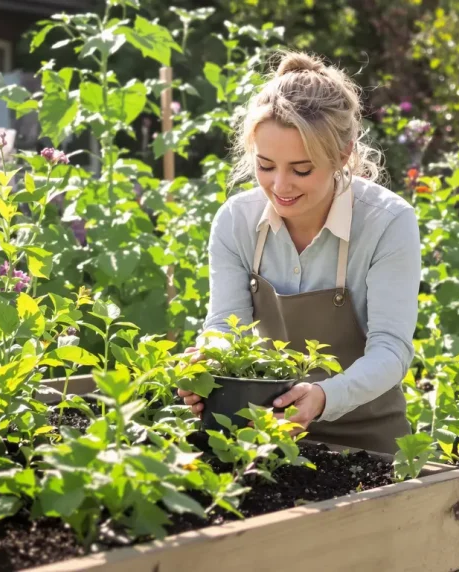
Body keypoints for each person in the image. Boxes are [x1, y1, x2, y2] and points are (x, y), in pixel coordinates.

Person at [177, 51, 421, 454]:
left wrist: (324, 396)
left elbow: (391, 350)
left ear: (343, 155)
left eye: (301, 169)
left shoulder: (387, 223)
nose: (280, 185)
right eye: (266, 165)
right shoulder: (237, 221)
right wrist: (208, 365)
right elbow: (225, 324)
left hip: (367, 438)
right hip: (262, 434)